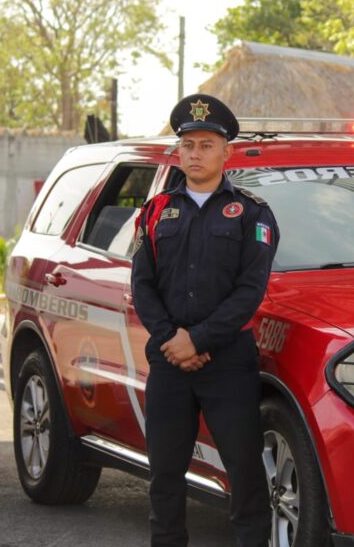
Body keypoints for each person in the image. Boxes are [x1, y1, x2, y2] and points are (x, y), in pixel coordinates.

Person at [132, 93, 279, 547]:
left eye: (206, 145)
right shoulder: (156, 211)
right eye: (188, 145)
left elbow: (249, 291)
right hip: (169, 362)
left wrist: (198, 339)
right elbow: (143, 285)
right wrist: (172, 341)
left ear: (226, 152)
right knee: (165, 478)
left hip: (228, 362)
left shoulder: (253, 213)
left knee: (245, 473)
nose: (195, 153)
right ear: (178, 151)